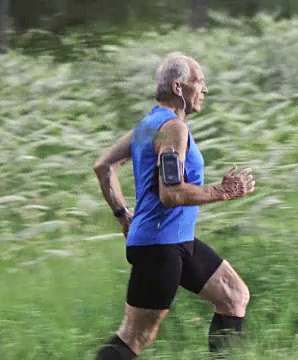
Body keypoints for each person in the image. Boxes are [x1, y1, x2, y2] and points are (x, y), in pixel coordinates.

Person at [91, 52, 256, 359]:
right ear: (179, 87)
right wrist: (222, 191)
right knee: (134, 337)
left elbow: (104, 166)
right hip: (159, 246)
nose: (205, 90)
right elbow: (171, 193)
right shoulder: (172, 129)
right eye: (200, 82)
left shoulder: (147, 127)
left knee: (234, 296)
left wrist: (122, 216)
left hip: (176, 239)